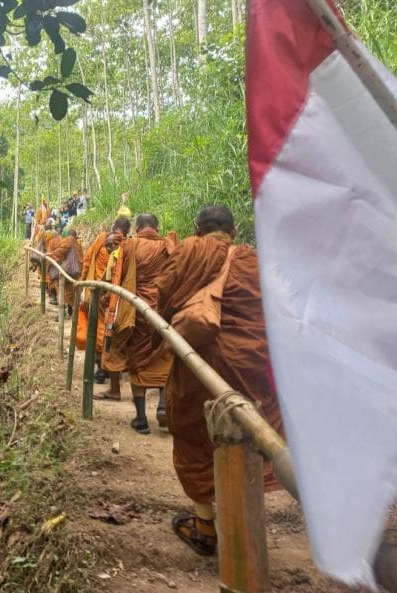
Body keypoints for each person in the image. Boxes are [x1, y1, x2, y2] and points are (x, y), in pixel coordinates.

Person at [154, 205, 284, 557]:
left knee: (195, 436)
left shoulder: (192, 250)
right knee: (251, 434)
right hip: (252, 363)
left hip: (203, 362)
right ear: (235, 232)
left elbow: (163, 294)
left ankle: (205, 526)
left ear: (197, 230)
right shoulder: (255, 261)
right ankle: (243, 527)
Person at [105, 213, 177, 432]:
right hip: (163, 312)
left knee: (137, 361)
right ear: (158, 227)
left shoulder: (130, 246)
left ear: (137, 228)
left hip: (137, 311)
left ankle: (141, 419)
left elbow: (119, 277)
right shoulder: (168, 246)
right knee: (165, 358)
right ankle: (163, 406)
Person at [76, 217, 131, 387]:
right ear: (128, 232)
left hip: (98, 292)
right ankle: (114, 368)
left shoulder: (102, 239)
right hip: (120, 296)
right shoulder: (129, 245)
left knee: (98, 328)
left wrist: (82, 282)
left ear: (113, 227)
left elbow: (87, 259)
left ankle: (101, 368)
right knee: (114, 330)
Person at [48, 229, 84, 316]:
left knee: (60, 287)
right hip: (76, 272)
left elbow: (60, 251)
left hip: (66, 271)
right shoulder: (78, 245)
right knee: (71, 290)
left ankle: (62, 311)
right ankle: (70, 307)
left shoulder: (67, 241)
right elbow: (82, 259)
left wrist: (51, 255)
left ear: (68, 235)